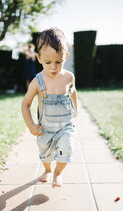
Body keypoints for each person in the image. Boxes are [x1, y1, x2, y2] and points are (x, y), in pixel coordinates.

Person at [21, 27, 78, 188]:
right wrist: (31, 125)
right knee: (45, 155)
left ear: (65, 57)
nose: (53, 67)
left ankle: (58, 173)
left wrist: (76, 109)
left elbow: (73, 92)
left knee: (66, 149)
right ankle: (47, 169)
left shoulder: (68, 77)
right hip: (45, 128)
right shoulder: (37, 81)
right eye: (48, 62)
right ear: (39, 58)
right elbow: (25, 104)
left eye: (58, 62)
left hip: (66, 125)